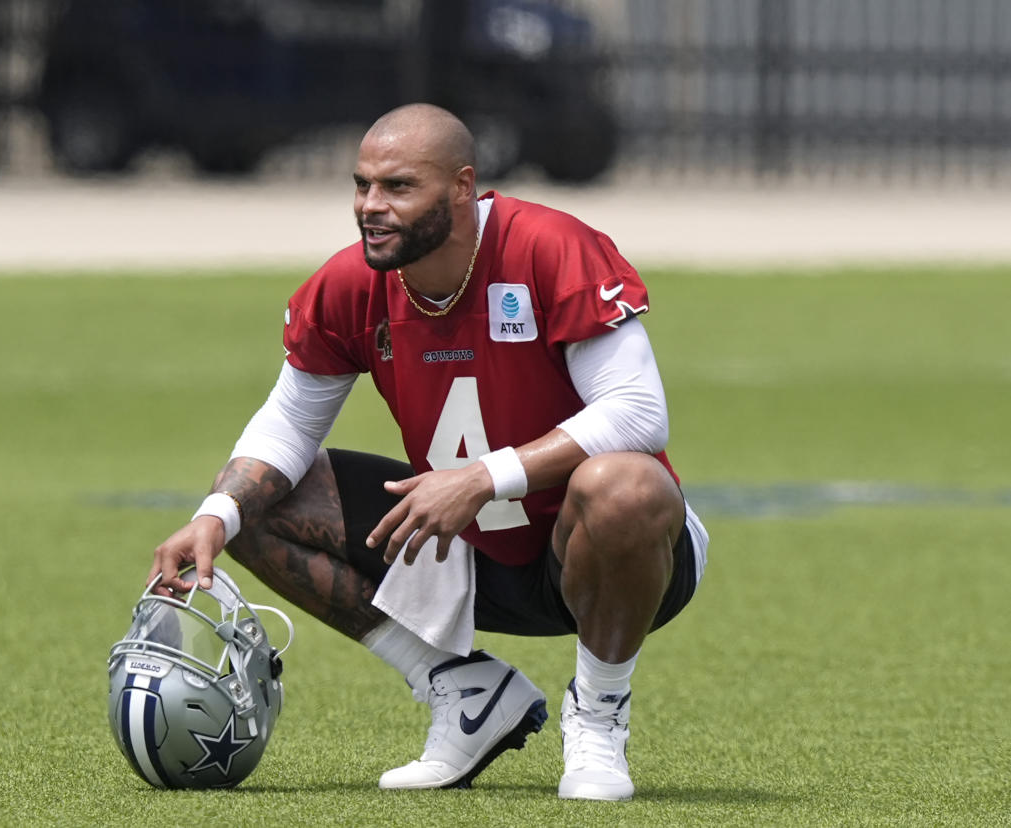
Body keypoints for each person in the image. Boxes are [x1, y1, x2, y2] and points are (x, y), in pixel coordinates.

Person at [148, 103, 709, 801]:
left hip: (610, 554)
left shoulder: (549, 246)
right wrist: (216, 515)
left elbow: (638, 413)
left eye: (397, 187)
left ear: (461, 188)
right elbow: (289, 426)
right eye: (361, 186)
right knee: (257, 503)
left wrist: (482, 477)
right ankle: (464, 690)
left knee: (625, 486)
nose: (370, 207)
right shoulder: (351, 283)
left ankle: (596, 718)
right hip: (469, 554)